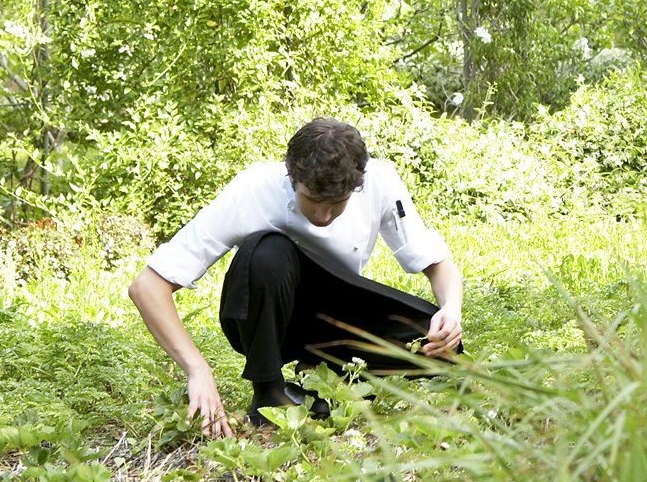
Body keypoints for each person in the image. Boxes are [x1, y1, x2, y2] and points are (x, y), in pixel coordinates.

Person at [125, 117, 463, 436]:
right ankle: (269, 392)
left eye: (338, 203)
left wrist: (451, 308)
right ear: (290, 175)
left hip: (337, 310)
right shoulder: (253, 189)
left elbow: (438, 264)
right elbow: (147, 287)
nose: (323, 215)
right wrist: (197, 370)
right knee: (268, 251)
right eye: (312, 200)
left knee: (440, 344)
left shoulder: (380, 182)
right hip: (266, 315)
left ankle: (327, 381)